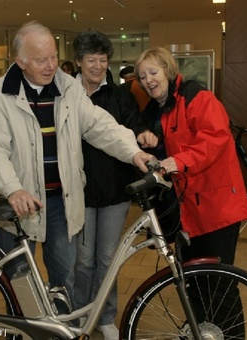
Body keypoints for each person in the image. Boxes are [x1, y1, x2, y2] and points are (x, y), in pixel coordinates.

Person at [0, 21, 154, 316]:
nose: (50, 66)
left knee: (63, 276)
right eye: (40, 60)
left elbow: (99, 124)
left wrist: (133, 152)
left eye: (53, 58)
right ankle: (25, 329)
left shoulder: (68, 87)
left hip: (60, 202)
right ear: (20, 61)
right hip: (18, 203)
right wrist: (13, 188)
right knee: (18, 277)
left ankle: (61, 328)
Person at [134, 46, 247, 337]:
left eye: (153, 72)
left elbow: (216, 138)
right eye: (142, 76)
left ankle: (232, 336)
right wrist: (149, 140)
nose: (148, 80)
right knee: (192, 279)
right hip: (190, 209)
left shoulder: (197, 97)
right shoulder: (162, 108)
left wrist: (179, 161)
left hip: (217, 206)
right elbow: (165, 142)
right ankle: (202, 332)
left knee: (219, 283)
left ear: (167, 69)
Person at [71, 29, 157, 340]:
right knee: (82, 259)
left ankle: (105, 316)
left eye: (102, 60)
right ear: (79, 61)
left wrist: (143, 134)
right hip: (78, 191)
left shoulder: (120, 95)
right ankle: (80, 313)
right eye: (91, 60)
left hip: (114, 189)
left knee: (106, 257)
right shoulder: (68, 95)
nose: (97, 66)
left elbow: (134, 124)